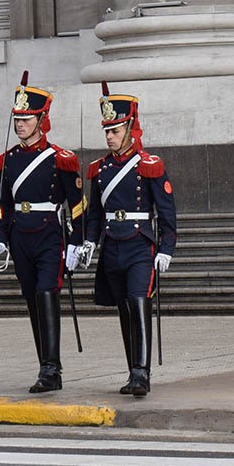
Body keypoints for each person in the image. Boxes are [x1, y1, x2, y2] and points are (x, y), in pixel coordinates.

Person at [78, 86, 177, 396]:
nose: (109, 136)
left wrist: (166, 248)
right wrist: (89, 243)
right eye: (107, 130)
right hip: (112, 246)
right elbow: (95, 213)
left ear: (131, 129)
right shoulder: (101, 169)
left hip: (139, 245)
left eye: (116, 129)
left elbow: (167, 211)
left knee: (138, 302)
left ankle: (141, 373)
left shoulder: (148, 165)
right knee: (123, 308)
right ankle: (131, 367)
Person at [0, 78, 85, 393]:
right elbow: (3, 205)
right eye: (17, 120)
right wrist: (0, 238)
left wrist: (76, 242)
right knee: (31, 296)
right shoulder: (9, 160)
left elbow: (77, 205)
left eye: (26, 120)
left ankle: (51, 368)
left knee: (47, 292)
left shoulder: (60, 158)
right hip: (21, 236)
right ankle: (44, 360)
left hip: (49, 234)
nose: (20, 125)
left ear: (42, 121)